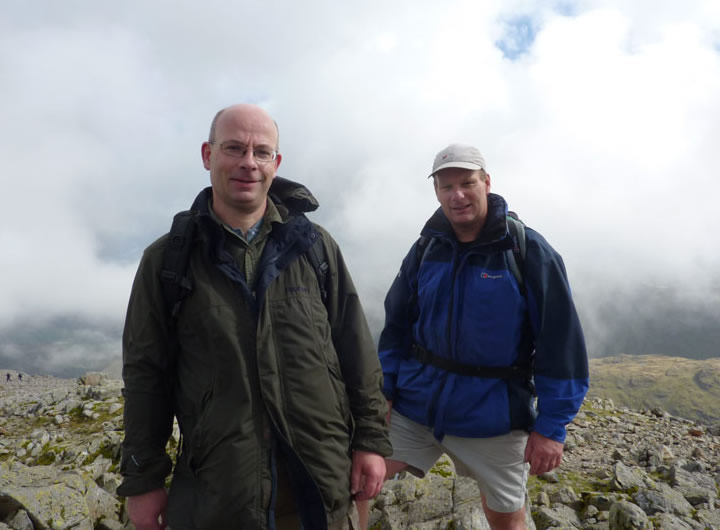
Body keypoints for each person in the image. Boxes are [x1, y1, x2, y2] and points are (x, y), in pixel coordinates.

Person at [118, 104, 391, 530]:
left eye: (262, 152)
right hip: (220, 493)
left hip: (320, 486)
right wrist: (142, 479)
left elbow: (355, 349)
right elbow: (145, 376)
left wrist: (371, 441)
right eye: (234, 148)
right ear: (207, 156)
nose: (249, 162)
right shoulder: (168, 262)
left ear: (276, 163)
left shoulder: (314, 248)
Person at [359, 144, 589, 530]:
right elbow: (397, 327)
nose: (458, 195)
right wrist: (385, 390)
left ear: (486, 182)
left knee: (505, 519)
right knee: (362, 484)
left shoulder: (527, 250)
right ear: (436, 191)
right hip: (417, 407)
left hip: (492, 416)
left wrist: (552, 427)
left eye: (467, 183)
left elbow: (560, 341)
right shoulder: (426, 249)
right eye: (447, 186)